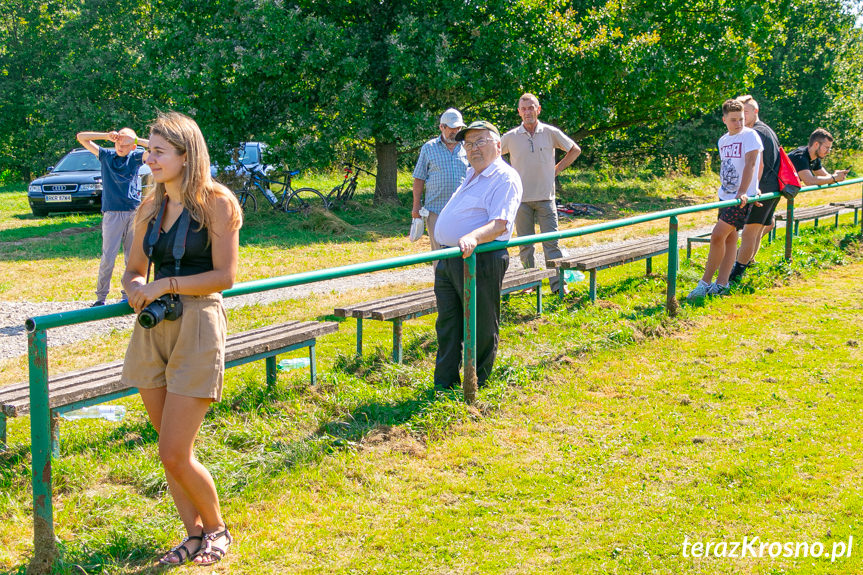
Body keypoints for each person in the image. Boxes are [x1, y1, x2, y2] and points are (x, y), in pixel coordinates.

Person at [120, 112, 242, 566]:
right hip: (154, 327)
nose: (147, 159)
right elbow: (133, 270)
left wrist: (165, 286)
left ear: (186, 156)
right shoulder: (149, 206)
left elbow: (225, 276)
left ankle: (217, 528)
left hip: (198, 325)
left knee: (173, 450)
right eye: (147, 150)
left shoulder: (218, 202)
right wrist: (135, 288)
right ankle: (192, 534)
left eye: (157, 152)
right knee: (170, 450)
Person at [433, 120, 522, 389]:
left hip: (479, 258)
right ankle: (444, 384)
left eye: (480, 141)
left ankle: (478, 384)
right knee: (447, 323)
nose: (473, 148)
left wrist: (473, 237)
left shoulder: (504, 178)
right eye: (468, 144)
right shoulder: (472, 174)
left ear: (498, 145)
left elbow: (500, 224)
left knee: (481, 324)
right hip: (451, 259)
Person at [501, 93, 580, 294]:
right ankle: (530, 285)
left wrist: (557, 169)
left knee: (552, 244)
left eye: (531, 107)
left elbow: (575, 149)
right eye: (524, 108)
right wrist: (506, 174)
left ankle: (558, 286)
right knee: (525, 246)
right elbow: (492, 156)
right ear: (518, 112)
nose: (528, 112)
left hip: (546, 197)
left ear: (538, 109)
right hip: (521, 200)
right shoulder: (511, 136)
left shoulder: (549, 132)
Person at [688, 99, 762, 299]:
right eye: (734, 120)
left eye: (741, 119)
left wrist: (748, 191)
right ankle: (722, 284)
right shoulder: (723, 140)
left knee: (717, 236)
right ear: (724, 120)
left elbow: (752, 163)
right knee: (729, 239)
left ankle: (704, 283)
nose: (738, 123)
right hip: (725, 196)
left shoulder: (750, 135)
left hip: (740, 199)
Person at [77, 127, 149, 306]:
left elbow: (156, 148)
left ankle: (129, 294)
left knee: (131, 257)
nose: (121, 146)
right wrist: (105, 136)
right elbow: (81, 138)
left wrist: (135, 139)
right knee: (108, 257)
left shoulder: (135, 157)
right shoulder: (106, 156)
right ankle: (101, 297)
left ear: (132, 147)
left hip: (133, 212)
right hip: (112, 213)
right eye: (118, 142)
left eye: (125, 144)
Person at [728, 95, 780, 283]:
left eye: (745, 113)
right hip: (772, 189)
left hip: (762, 190)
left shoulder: (756, 133)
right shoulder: (765, 130)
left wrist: (753, 189)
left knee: (750, 231)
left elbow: (759, 165)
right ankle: (746, 263)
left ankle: (736, 274)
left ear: (755, 112)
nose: (742, 118)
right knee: (756, 232)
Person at [412, 108, 469, 254]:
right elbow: (419, 178)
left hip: (461, 209)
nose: (456, 131)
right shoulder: (429, 148)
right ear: (441, 127)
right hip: (436, 210)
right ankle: (440, 277)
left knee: (461, 249)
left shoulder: (467, 147)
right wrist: (416, 206)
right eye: (452, 128)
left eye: (459, 128)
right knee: (439, 252)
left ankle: (461, 277)